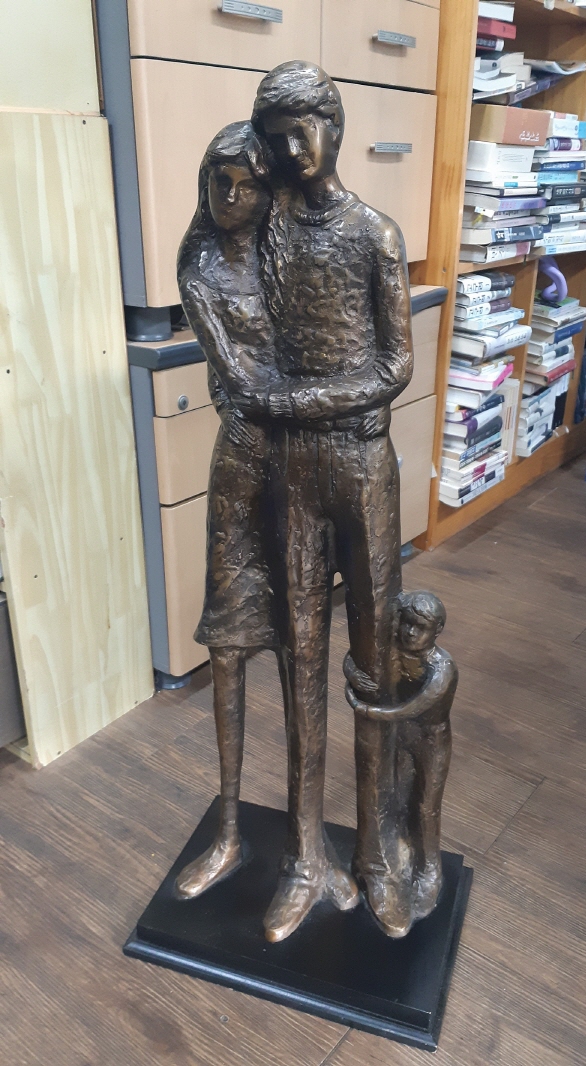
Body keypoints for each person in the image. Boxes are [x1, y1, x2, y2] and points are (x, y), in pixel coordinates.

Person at [239, 62, 414, 940]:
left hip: (360, 468)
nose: (292, 148)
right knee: (299, 656)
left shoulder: (375, 235)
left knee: (374, 665)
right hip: (292, 472)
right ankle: (306, 855)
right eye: (276, 136)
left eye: (305, 128)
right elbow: (208, 247)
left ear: (335, 129)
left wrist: (305, 399)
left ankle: (376, 855)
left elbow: (396, 365)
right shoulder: (262, 228)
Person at [175, 122, 358, 925]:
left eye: (246, 183)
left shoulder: (297, 256)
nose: (230, 196)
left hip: (304, 470)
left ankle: (307, 849)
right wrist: (304, 395)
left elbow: (329, 353)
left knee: (303, 649)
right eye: (218, 180)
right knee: (228, 645)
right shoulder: (200, 271)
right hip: (243, 470)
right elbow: (244, 383)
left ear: (269, 190)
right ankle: (227, 832)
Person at [344, 591, 458, 929]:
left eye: (420, 628)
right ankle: (401, 858)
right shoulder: (394, 650)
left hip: (431, 743)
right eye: (407, 624)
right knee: (397, 799)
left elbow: (411, 708)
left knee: (425, 808)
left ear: (436, 631)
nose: (410, 632)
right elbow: (354, 658)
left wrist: (364, 708)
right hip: (401, 739)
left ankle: (429, 872)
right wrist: (353, 674)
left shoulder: (442, 668)